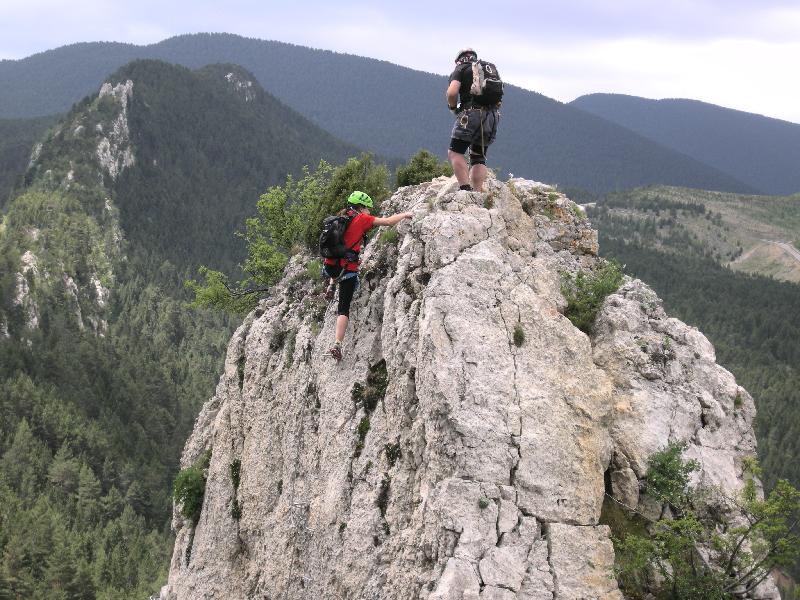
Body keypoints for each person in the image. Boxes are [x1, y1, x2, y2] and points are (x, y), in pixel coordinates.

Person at [323, 191, 412, 361]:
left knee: (337, 266)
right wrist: (406, 214)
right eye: (368, 209)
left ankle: (331, 284)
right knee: (343, 308)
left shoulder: (340, 217)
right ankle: (337, 344)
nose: (369, 212)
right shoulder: (362, 219)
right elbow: (387, 222)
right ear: (361, 207)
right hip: (347, 270)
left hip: (329, 266)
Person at [446, 48, 501, 192]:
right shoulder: (486, 69)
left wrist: (453, 108)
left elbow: (452, 92)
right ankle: (477, 193)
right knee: (478, 157)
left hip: (471, 114)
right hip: (492, 116)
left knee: (455, 152)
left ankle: (465, 190)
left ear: (458, 59)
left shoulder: (461, 69)